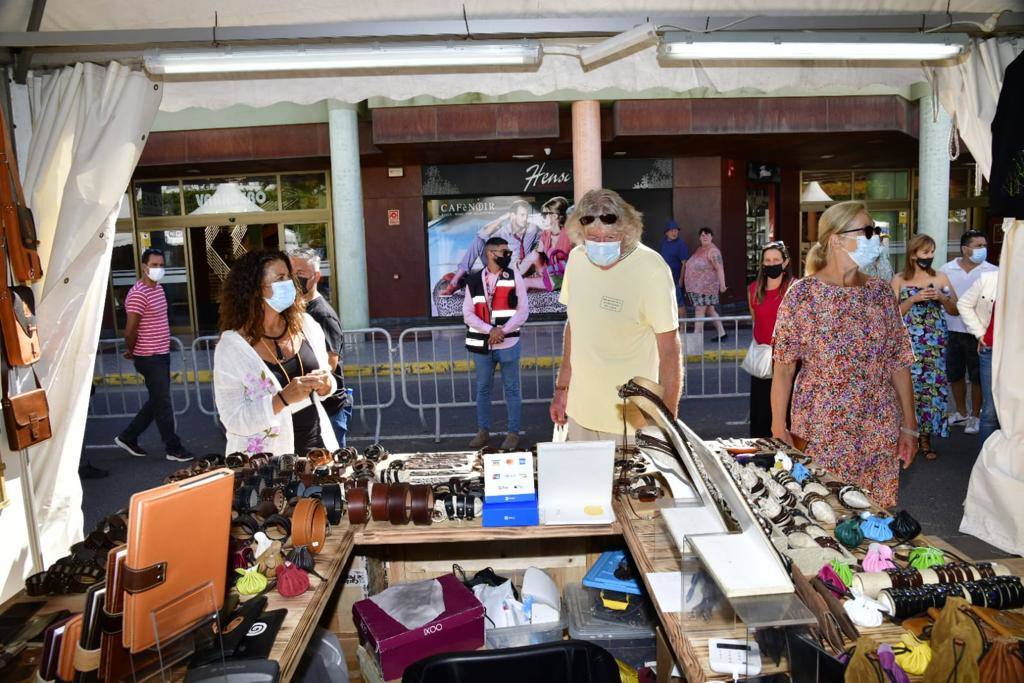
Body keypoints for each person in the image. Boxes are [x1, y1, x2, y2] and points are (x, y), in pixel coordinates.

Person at [771, 201, 917, 509]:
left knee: (875, 516)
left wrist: (909, 425)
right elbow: (783, 369)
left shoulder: (880, 293)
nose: (876, 238)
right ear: (836, 239)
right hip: (821, 428)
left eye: (876, 231)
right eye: (868, 231)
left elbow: (899, 361)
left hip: (878, 426)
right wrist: (778, 427)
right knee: (826, 513)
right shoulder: (803, 295)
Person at [549, 188, 681, 441]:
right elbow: (574, 326)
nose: (601, 245)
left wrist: (667, 421)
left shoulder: (652, 269)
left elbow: (669, 350)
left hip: (631, 420)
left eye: (610, 237)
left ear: (627, 232)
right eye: (593, 238)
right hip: (580, 414)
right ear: (580, 233)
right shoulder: (576, 260)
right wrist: (562, 389)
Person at [214, 251, 338, 456]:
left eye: (289, 276)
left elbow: (327, 379)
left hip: (317, 452)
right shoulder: (232, 347)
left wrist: (326, 385)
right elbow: (233, 419)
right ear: (255, 289)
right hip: (266, 462)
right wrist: (282, 399)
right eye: (280, 278)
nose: (289, 283)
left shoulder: (306, 325)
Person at [114, 248, 193, 462]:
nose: (158, 269)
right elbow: (130, 330)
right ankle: (173, 448)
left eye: (161, 265)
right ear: (144, 267)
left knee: (158, 400)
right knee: (163, 403)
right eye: (154, 265)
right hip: (149, 357)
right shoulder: (138, 294)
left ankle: (128, 436)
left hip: (161, 354)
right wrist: (132, 351)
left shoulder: (158, 289)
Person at [891, 234, 958, 461]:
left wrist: (942, 297)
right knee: (907, 387)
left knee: (930, 388)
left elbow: (955, 310)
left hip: (934, 342)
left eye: (932, 252)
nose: (930, 256)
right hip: (908, 342)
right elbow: (890, 314)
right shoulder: (899, 279)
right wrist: (913, 299)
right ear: (913, 255)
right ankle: (904, 435)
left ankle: (926, 438)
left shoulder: (940, 278)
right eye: (925, 252)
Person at [463, 237, 530, 450]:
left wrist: (502, 331)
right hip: (483, 346)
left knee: (512, 390)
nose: (508, 255)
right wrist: (490, 330)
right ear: (490, 253)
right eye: (504, 251)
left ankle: (513, 433)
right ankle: (483, 431)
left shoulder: (514, 276)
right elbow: (467, 313)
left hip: (508, 344)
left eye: (508, 251)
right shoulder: (474, 280)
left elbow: (523, 311)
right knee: (482, 389)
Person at [289, 247, 353, 447]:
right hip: (309, 406)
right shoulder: (294, 310)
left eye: (300, 273)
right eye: (290, 273)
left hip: (329, 408)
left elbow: (330, 364)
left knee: (332, 460)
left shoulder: (322, 314)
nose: (294, 279)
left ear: (316, 276)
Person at [939, 230, 998, 435]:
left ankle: (975, 416)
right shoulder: (946, 269)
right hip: (952, 329)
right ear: (965, 249)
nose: (983, 249)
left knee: (977, 376)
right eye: (978, 245)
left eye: (984, 245)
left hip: (978, 333)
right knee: (954, 373)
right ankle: (961, 412)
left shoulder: (992, 271)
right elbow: (942, 294)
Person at [441, 200, 540, 296]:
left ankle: (464, 281)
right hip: (501, 267)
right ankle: (455, 281)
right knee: (478, 241)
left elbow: (544, 238)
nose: (525, 218)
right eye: (522, 215)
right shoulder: (504, 231)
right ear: (513, 216)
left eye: (527, 215)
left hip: (520, 268)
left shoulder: (532, 229)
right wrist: (501, 219)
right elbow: (482, 235)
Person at [747, 241, 793, 438]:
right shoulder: (753, 289)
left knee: (787, 415)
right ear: (762, 263)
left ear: (785, 262)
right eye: (767, 260)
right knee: (761, 414)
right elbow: (756, 322)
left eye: (776, 260)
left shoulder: (795, 288)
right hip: (763, 362)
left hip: (790, 363)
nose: (771, 263)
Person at [957, 270, 999, 445]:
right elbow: (963, 304)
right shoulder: (989, 279)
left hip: (1017, 353)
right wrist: (980, 333)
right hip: (991, 350)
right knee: (990, 410)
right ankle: (986, 457)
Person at [683, 227, 727, 341]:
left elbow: (720, 268)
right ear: (699, 238)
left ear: (712, 237)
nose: (705, 237)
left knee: (699, 311)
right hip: (697, 288)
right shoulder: (700, 249)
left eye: (707, 234)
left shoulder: (713, 251)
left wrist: (722, 285)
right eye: (702, 235)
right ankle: (722, 333)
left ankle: (696, 338)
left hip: (706, 288)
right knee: (710, 310)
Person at [660, 220, 690, 320]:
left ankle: (683, 327)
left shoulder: (681, 244)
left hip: (676, 279)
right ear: (666, 232)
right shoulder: (664, 242)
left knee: (679, 303)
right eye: (671, 230)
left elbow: (684, 263)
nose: (674, 233)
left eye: (676, 230)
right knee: (668, 303)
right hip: (666, 279)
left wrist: (681, 279)